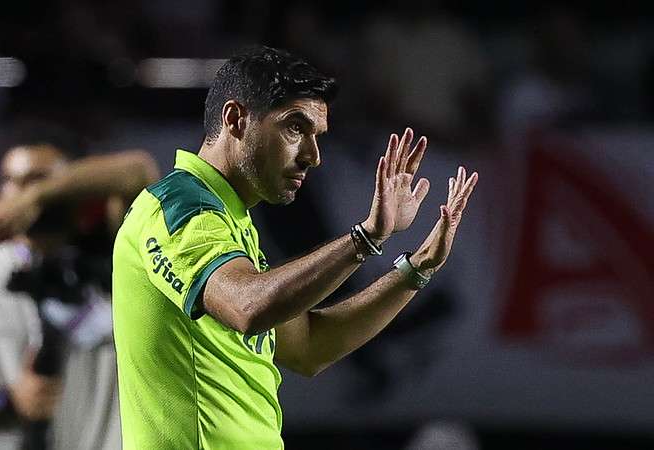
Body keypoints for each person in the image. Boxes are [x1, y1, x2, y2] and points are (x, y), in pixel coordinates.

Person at [112, 45, 478, 449]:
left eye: (317, 137)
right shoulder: (179, 209)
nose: (313, 156)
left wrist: (417, 269)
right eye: (294, 128)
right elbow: (248, 307)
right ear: (236, 119)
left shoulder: (231, 224)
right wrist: (367, 237)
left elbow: (309, 347)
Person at [0, 142, 159, 449]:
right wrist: (7, 399)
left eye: (36, 179)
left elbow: (138, 172)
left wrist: (40, 195)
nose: (19, 192)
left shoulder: (113, 257)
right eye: (9, 181)